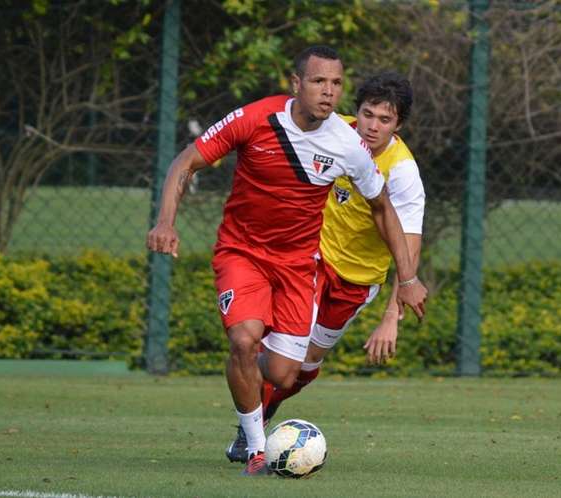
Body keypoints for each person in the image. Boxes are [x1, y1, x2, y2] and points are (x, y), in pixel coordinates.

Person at [147, 46, 427, 476]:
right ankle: (256, 446)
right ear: (296, 84)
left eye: (336, 84)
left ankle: (251, 381)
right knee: (244, 338)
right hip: (247, 252)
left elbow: (382, 208)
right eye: (319, 82)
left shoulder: (351, 147)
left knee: (284, 372)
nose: (329, 92)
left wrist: (405, 283)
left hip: (304, 266)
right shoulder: (256, 118)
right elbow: (187, 161)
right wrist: (166, 222)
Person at [226, 71, 425, 464]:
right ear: (358, 111)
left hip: (358, 280)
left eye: (385, 120)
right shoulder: (335, 133)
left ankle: (261, 402)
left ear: (398, 125)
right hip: (311, 259)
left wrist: (391, 317)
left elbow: (409, 242)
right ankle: (250, 412)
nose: (372, 126)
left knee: (307, 368)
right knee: (287, 361)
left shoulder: (402, 172)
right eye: (368, 114)